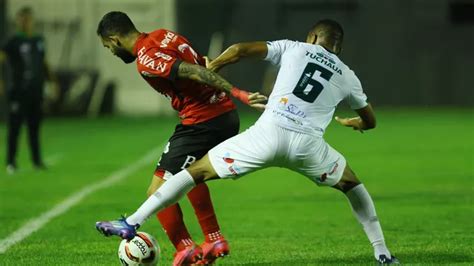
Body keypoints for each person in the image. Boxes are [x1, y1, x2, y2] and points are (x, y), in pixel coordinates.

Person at [96, 19, 400, 265]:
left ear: (312, 37)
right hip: (308, 146)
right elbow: (370, 119)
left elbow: (240, 49)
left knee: (194, 174)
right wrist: (358, 123)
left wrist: (214, 66)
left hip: (266, 134)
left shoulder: (293, 48)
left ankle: (133, 221)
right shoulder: (348, 76)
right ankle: (382, 252)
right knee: (352, 185)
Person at [95, 11, 266, 265]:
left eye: (109, 47)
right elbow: (204, 61)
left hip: (202, 123)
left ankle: (184, 248)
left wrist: (239, 93)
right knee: (191, 177)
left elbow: (196, 71)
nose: (112, 52)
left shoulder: (147, 58)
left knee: (157, 190)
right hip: (223, 115)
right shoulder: (164, 35)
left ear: (116, 39)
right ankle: (214, 239)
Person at [0, 7, 57, 174]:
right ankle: (11, 162)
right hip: (18, 91)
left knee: (34, 127)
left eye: (27, 19)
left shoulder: (38, 40)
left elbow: (44, 62)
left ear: (32, 20)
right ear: (18, 21)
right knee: (15, 127)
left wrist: (52, 80)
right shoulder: (13, 41)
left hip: (36, 91)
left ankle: (37, 161)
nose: (25, 22)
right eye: (22, 19)